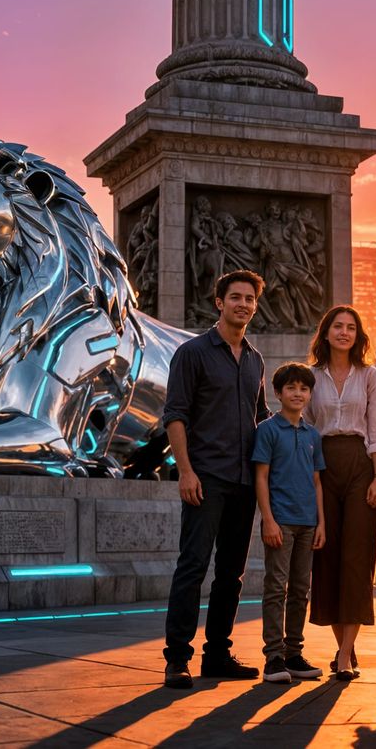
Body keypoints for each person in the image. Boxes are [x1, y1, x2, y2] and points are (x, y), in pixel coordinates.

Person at [161, 270, 271, 689]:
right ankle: (177, 658)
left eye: (249, 299)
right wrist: (185, 471)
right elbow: (175, 415)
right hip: (205, 477)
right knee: (192, 566)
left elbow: (261, 418)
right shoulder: (192, 353)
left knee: (231, 574)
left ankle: (218, 655)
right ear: (219, 303)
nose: (243, 304)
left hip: (244, 482)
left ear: (255, 306)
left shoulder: (256, 360)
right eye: (236, 297)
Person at [304, 305, 376, 678]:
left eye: (351, 327)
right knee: (328, 555)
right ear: (325, 333)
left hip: (359, 464)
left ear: (358, 335)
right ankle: (344, 648)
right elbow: (306, 426)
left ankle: (343, 656)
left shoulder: (369, 376)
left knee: (357, 556)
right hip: (322, 464)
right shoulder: (311, 377)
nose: (344, 332)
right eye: (337, 326)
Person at [253, 363, 326, 684]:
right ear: (278, 393)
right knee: (275, 588)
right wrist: (268, 520)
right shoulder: (267, 430)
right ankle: (274, 657)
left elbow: (317, 481)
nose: (298, 394)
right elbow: (261, 477)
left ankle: (294, 653)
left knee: (300, 590)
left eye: (304, 389)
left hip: (308, 523)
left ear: (310, 395)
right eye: (291, 388)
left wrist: (321, 523)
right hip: (280, 521)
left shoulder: (313, 435)